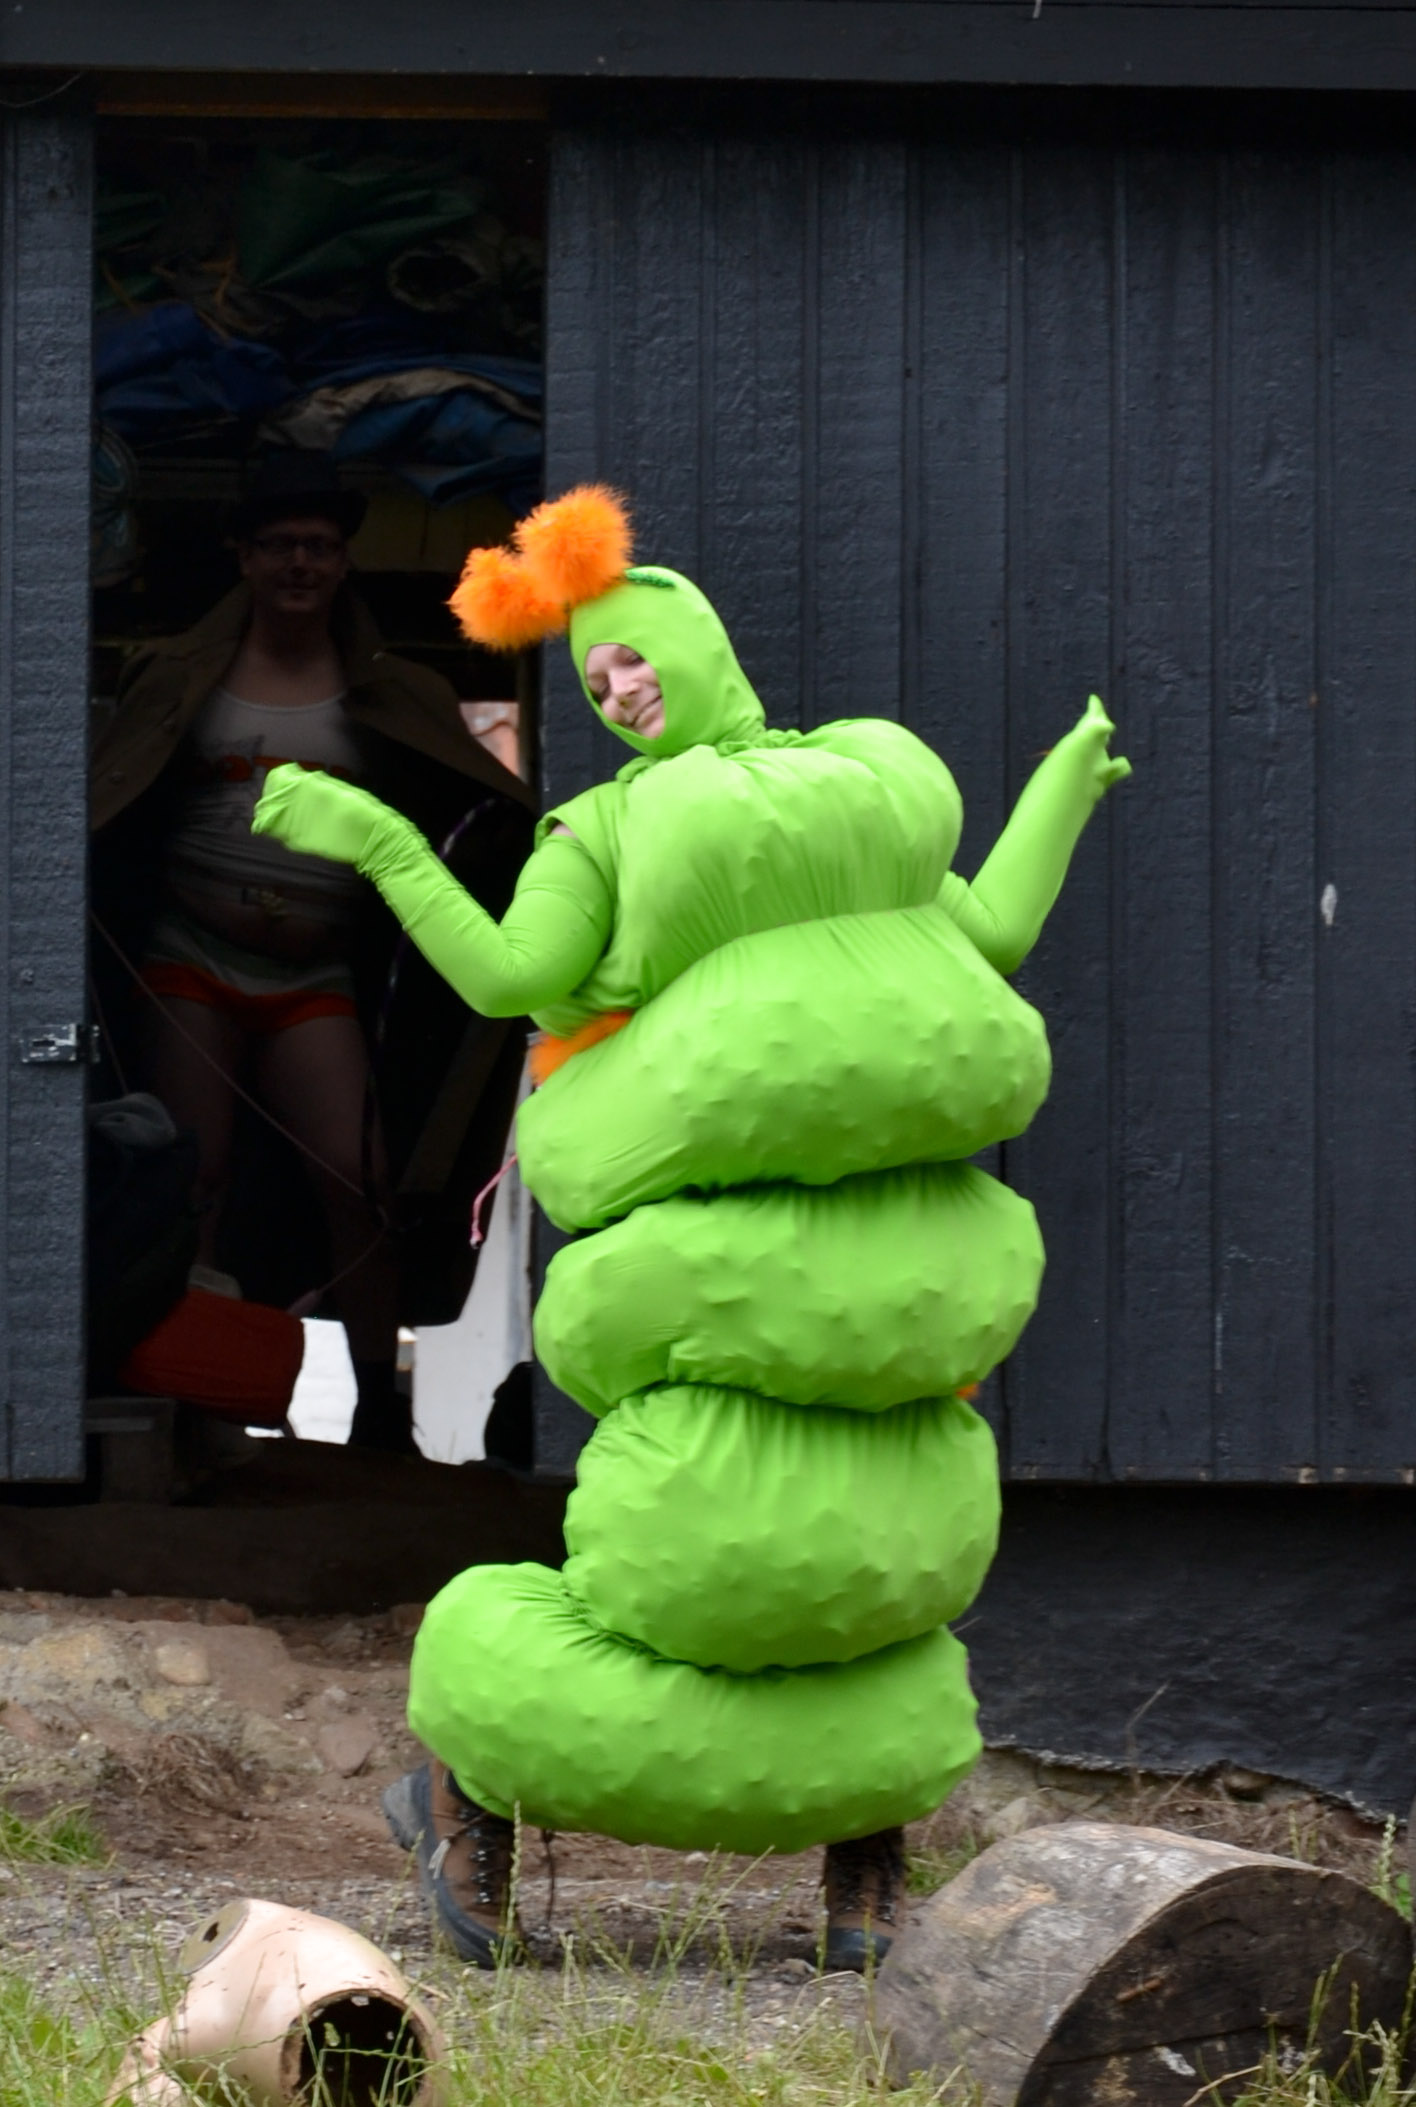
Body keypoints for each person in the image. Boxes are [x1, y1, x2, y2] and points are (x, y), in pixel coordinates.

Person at [251, 485, 1130, 1966]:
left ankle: (864, 1841)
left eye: (634, 657)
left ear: (699, 642)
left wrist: (1060, 790)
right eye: (593, 680)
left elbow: (983, 935)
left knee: (878, 1557)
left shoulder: (852, 783)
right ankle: (475, 1784)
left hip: (889, 1258)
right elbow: (513, 977)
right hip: (724, 1246)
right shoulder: (599, 828)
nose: (619, 690)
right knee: (710, 1553)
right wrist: (383, 843)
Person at [90, 451, 534, 1452]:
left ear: (342, 563)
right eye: (282, 544)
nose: (301, 562)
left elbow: (465, 807)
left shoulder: (394, 690)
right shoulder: (177, 676)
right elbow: (119, 796)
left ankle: (378, 1412)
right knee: (192, 1176)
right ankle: (196, 1397)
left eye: (321, 547)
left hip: (313, 971)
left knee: (359, 1176)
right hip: (189, 956)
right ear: (244, 556)